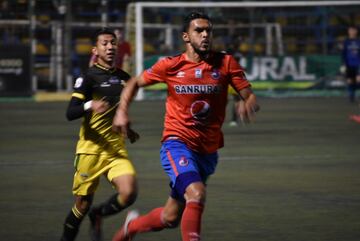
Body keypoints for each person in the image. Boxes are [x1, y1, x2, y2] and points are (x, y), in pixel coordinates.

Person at [112, 12, 259, 241]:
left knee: (170, 217)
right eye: (198, 30)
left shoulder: (226, 63)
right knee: (197, 193)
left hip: (207, 153)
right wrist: (121, 112)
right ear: (186, 36)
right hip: (177, 144)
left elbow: (249, 95)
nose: (205, 35)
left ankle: (131, 227)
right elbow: (134, 82)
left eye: (208, 30)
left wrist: (246, 101)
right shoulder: (171, 66)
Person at [60, 28, 139, 241]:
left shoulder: (124, 79)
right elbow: (70, 113)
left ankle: (98, 214)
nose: (110, 47)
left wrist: (127, 129)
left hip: (115, 150)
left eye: (113, 43)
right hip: (90, 152)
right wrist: (89, 104)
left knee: (129, 192)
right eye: (104, 43)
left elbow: (118, 111)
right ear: (96, 49)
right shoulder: (88, 78)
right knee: (82, 205)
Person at [342, 25, 360, 103]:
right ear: (348, 31)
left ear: (356, 31)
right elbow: (343, 53)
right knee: (350, 81)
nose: (352, 32)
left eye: (353, 30)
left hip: (358, 64)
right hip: (349, 64)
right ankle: (351, 97)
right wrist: (343, 64)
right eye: (350, 30)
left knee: (358, 80)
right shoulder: (346, 42)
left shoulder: (359, 41)